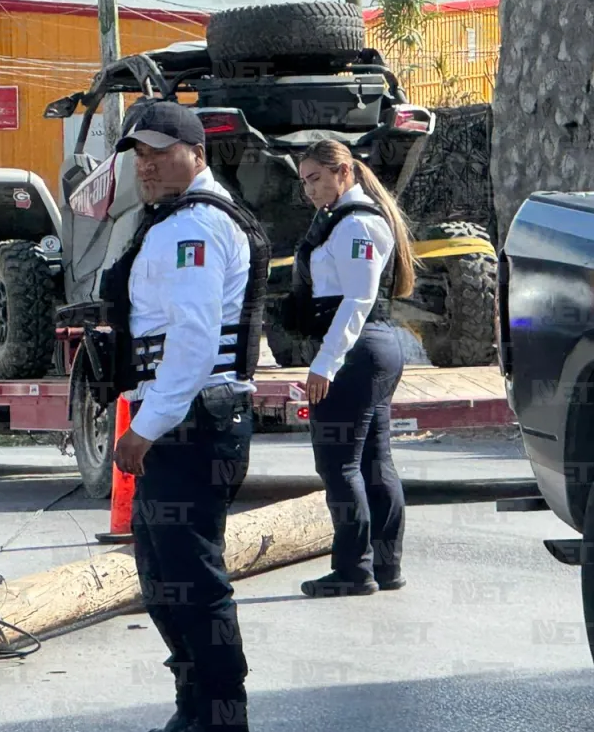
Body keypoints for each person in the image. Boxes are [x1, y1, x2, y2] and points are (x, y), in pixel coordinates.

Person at [103, 101, 270, 732]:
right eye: (138, 156)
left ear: (195, 152)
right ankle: (197, 705)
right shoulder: (178, 218)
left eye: (157, 152)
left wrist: (144, 431)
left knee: (192, 580)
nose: (145, 166)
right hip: (193, 418)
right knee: (164, 573)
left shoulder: (192, 227)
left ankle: (222, 716)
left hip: (191, 422)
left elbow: (195, 343)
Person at [282, 138, 416, 598]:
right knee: (374, 462)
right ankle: (384, 564)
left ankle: (354, 569)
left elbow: (357, 300)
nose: (309, 190)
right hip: (367, 350)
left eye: (316, 178)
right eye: (304, 182)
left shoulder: (356, 223)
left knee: (339, 465)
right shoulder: (339, 220)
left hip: (356, 351)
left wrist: (325, 364)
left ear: (345, 172)